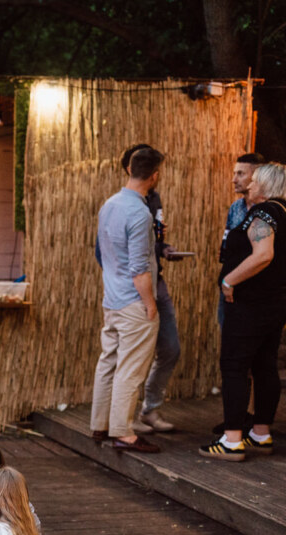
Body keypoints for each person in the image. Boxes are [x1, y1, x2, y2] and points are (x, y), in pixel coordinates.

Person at [201, 162, 286, 461]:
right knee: (264, 364)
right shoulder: (284, 212)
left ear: (267, 185)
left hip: (250, 305)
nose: (250, 184)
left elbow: (264, 254)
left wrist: (229, 280)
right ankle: (260, 433)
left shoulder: (265, 213)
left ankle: (232, 439)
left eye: (255, 180)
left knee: (235, 366)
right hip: (274, 304)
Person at [90, 146, 163, 454]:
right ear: (155, 175)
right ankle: (123, 432)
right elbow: (139, 269)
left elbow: (99, 252)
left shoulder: (110, 204)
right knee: (131, 369)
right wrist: (150, 304)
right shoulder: (139, 212)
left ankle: (100, 424)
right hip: (134, 301)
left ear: (130, 170)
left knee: (108, 362)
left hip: (112, 299)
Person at [110, 144, 185, 436]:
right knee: (132, 358)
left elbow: (148, 244)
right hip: (137, 290)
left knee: (169, 349)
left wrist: (163, 249)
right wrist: (144, 296)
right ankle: (124, 425)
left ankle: (149, 408)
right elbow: (115, 255)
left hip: (157, 283)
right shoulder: (125, 206)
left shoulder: (152, 200)